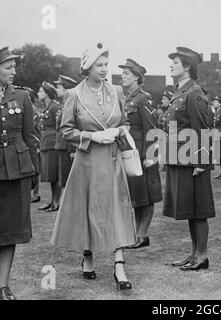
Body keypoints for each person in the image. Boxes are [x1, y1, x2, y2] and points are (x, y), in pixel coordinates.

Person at [50, 43, 136, 291]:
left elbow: (127, 122)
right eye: (99, 65)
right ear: (86, 68)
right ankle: (87, 255)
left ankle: (119, 264)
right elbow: (65, 130)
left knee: (116, 210)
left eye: (106, 64)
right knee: (89, 209)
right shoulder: (74, 94)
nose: (104, 69)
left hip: (112, 159)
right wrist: (91, 137)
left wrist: (117, 130)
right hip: (87, 161)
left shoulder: (117, 90)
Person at [161, 47, 215, 271]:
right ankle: (194, 254)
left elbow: (202, 129)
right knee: (190, 209)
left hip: (192, 160)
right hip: (180, 158)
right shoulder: (180, 92)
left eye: (175, 62)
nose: (171, 65)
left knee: (198, 209)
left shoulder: (194, 93)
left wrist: (200, 163)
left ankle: (202, 256)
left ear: (187, 67)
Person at [0, 47, 38, 300]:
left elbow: (29, 136)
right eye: (8, 67)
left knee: (10, 229)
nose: (13, 71)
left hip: (16, 170)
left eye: (14, 67)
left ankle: (3, 285)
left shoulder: (22, 96)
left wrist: (33, 171)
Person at [118, 59, 162, 249]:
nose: (122, 76)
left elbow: (151, 129)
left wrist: (149, 156)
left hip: (142, 154)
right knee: (136, 195)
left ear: (136, 76)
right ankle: (136, 234)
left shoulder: (144, 98)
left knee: (147, 194)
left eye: (126, 73)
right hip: (129, 153)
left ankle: (143, 234)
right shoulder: (126, 98)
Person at [37, 81, 62, 212]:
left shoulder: (54, 107)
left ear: (47, 93)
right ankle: (52, 200)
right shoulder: (45, 107)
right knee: (50, 174)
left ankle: (57, 202)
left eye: (41, 91)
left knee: (55, 174)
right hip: (45, 143)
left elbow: (59, 127)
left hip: (53, 143)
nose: (38, 93)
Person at [54, 75, 77, 189]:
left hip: (68, 147)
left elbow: (74, 126)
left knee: (70, 181)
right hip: (62, 145)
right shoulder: (64, 104)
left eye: (59, 87)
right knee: (64, 180)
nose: (57, 90)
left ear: (67, 89)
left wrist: (73, 149)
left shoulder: (72, 104)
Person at [25, 87, 42, 203]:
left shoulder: (33, 110)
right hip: (31, 143)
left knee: (35, 170)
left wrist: (37, 145)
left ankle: (35, 194)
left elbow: (33, 128)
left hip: (35, 143)